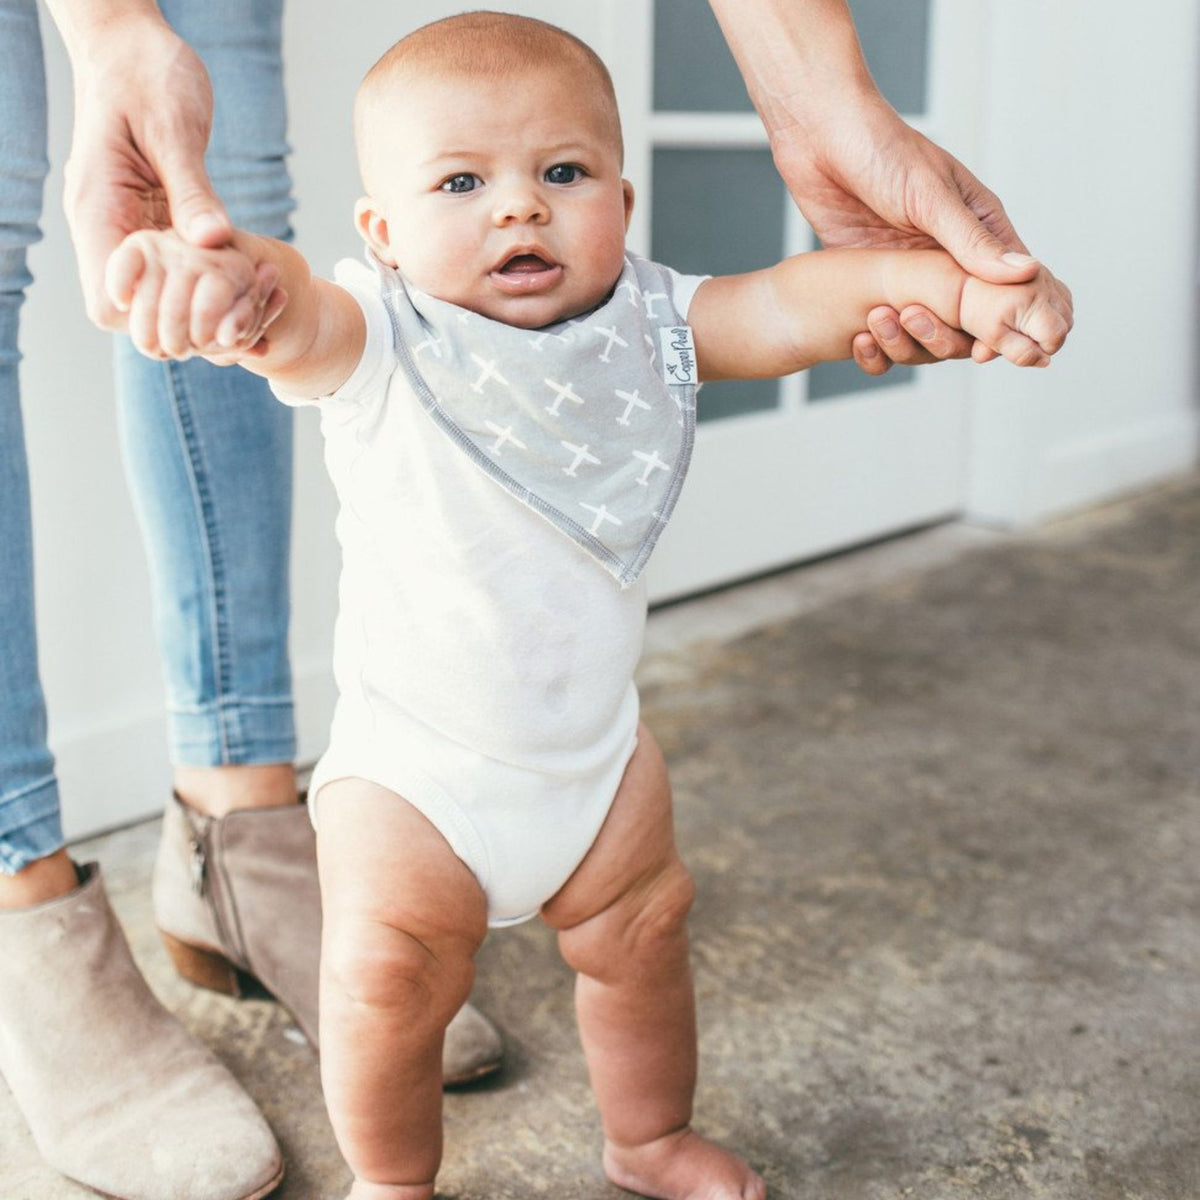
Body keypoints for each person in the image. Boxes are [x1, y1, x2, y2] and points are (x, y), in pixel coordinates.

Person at [0, 1, 1038, 1197]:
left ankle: (646, 1140)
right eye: (460, 183)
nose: (518, 205)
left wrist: (959, 293)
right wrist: (233, 283)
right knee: (388, 990)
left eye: (562, 171)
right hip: (414, 786)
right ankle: (394, 1183)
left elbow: (798, 303)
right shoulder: (378, 336)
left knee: (644, 939)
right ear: (381, 233)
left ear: (624, 202)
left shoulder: (654, 323)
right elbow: (294, 311)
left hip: (596, 769)